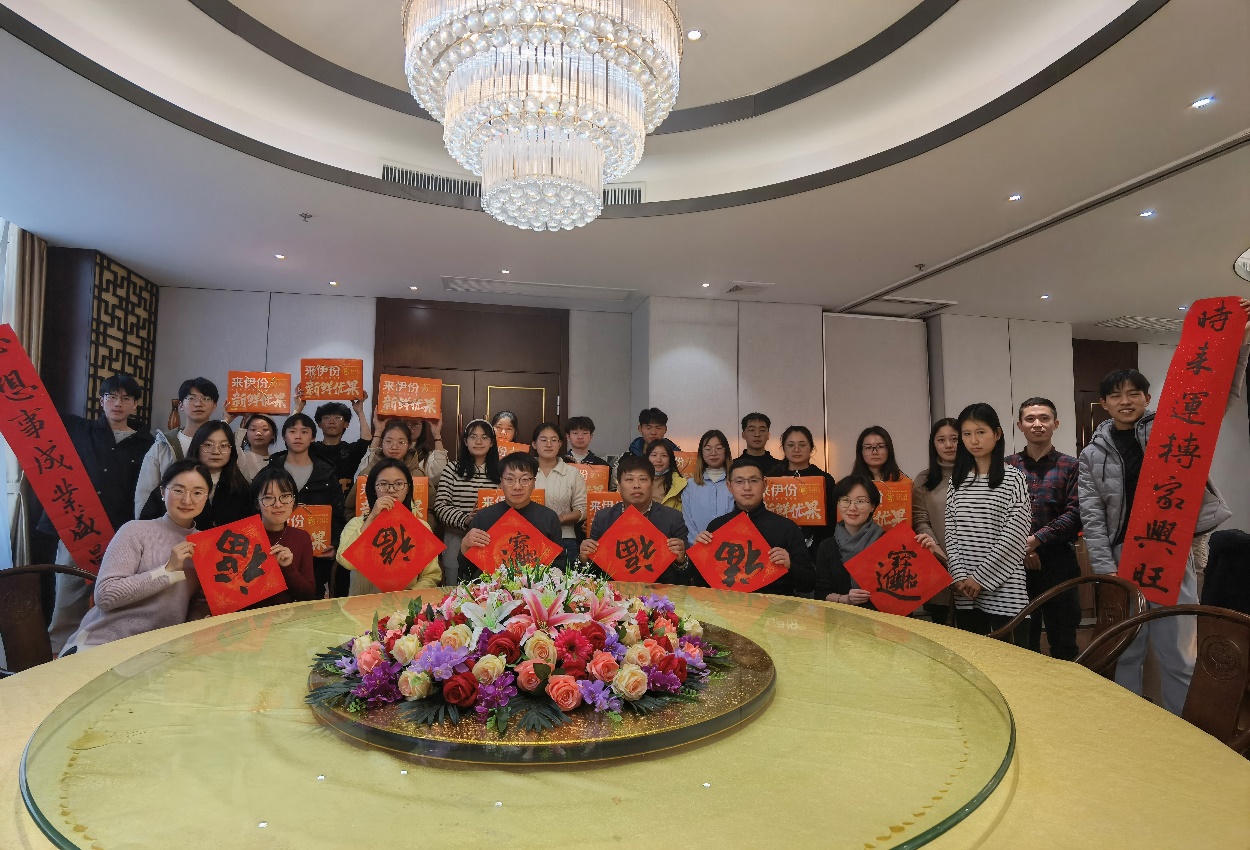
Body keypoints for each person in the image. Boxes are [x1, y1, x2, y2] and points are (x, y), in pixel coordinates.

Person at [1079, 313, 1249, 714]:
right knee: (1126, 647)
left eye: (1133, 393)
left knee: (1178, 649)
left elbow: (1219, 397)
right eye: (1116, 395)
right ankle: (1129, 721)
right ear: (1104, 403)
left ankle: (1180, 727)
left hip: (1168, 550)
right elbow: (1093, 516)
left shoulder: (1174, 428)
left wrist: (1240, 344)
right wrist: (1105, 570)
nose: (1125, 401)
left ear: (1147, 397)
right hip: (1121, 555)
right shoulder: (1091, 454)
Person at [43, 374, 156, 654]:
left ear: (135, 404)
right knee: (68, 595)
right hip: (77, 528)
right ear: (101, 400)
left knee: (114, 596)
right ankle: (58, 652)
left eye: (126, 398)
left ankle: (100, 653)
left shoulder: (147, 443)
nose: (118, 403)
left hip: (120, 534)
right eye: (111, 397)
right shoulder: (78, 429)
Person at [62, 460, 209, 653]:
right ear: (163, 492)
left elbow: (196, 603)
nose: (187, 500)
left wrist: (202, 617)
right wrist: (167, 571)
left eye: (197, 493)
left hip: (159, 651)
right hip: (102, 644)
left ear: (207, 496)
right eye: (178, 490)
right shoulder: (135, 531)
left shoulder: (206, 544)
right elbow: (105, 596)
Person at [945, 403, 1032, 636]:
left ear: (997, 434)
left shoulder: (1014, 479)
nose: (973, 440)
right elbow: (951, 533)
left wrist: (980, 578)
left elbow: (1014, 536)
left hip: (1005, 587)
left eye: (981, 432)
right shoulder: (957, 480)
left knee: (1009, 653)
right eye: (967, 434)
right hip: (965, 589)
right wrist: (959, 574)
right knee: (973, 653)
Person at [1006, 398, 1083, 660]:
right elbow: (1000, 514)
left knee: (1064, 641)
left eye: (1044, 418)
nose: (1037, 424)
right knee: (1023, 643)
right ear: (1020, 426)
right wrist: (1025, 548)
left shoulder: (1072, 466)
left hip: (1059, 563)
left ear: (1055, 424)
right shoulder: (1006, 467)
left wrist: (1037, 539)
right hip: (1016, 566)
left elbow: (1076, 513)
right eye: (1030, 419)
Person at [689, 460, 815, 597]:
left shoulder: (786, 527)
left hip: (775, 606)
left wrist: (789, 564)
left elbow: (809, 584)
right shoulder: (717, 526)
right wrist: (699, 555)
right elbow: (701, 584)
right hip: (728, 605)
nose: (747, 487)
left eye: (753, 481)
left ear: (765, 484)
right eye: (739, 481)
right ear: (729, 487)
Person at [266, 413, 346, 598]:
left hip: (315, 556)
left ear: (313, 437)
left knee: (311, 600)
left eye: (304, 431)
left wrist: (335, 544)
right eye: (292, 431)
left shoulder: (326, 473)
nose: (298, 436)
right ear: (284, 436)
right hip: (275, 552)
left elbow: (337, 513)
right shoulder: (271, 470)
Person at [337, 458, 442, 595]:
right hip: (364, 603)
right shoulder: (357, 524)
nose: (391, 490)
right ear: (373, 489)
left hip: (405, 604)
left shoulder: (420, 527)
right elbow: (346, 561)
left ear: (408, 488)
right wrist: (372, 518)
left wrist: (407, 595)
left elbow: (431, 575)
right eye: (383, 484)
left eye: (399, 484)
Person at [580, 454, 690, 583]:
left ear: (652, 485)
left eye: (643, 479)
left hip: (660, 591)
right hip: (615, 592)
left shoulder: (672, 518)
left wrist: (682, 560)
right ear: (619, 486)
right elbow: (593, 573)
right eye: (629, 479)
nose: (636, 485)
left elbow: (687, 575)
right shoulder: (603, 518)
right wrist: (584, 559)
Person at [459, 452, 564, 581]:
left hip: (536, 590)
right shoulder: (483, 517)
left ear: (534, 483)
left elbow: (560, 564)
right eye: (510, 479)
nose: (517, 486)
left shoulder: (549, 517)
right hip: (492, 590)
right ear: (501, 483)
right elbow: (467, 570)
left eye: (525, 479)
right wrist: (465, 546)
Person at [139, 421, 254, 530]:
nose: (216, 451)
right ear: (197, 446)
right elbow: (147, 524)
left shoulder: (241, 489)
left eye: (223, 446)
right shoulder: (175, 481)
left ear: (231, 450)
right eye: (208, 445)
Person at [133, 377, 219, 517]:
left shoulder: (223, 446)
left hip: (212, 522)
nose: (198, 403)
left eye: (206, 398)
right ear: (181, 405)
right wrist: (143, 525)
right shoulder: (162, 445)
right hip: (167, 521)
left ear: (214, 405)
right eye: (191, 398)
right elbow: (145, 491)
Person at [433, 419, 501, 585]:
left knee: (489, 589)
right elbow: (440, 506)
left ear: (492, 442)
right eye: (473, 437)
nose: (478, 441)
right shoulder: (452, 469)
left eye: (484, 437)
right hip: (456, 538)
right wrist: (466, 519)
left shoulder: (501, 472)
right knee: (455, 588)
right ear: (465, 441)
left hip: (492, 541)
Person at [245, 466, 316, 607]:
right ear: (257, 503)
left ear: (294, 500)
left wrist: (288, 567)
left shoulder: (301, 538)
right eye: (268, 498)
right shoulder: (241, 538)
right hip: (250, 619)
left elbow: (308, 594)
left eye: (285, 496)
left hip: (286, 617)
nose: (278, 504)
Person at [912, 417, 960, 622]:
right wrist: (941, 555)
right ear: (934, 444)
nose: (948, 445)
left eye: (954, 439)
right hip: (938, 563)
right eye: (941, 440)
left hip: (975, 569)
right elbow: (920, 520)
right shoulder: (924, 479)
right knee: (942, 630)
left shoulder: (978, 476)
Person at [814, 475, 884, 607]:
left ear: (872, 506)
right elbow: (821, 593)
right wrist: (845, 599)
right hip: (842, 617)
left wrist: (923, 549)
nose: (852, 507)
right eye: (845, 500)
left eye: (860, 501)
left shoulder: (887, 542)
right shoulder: (827, 546)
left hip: (883, 617)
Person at [770, 425, 837, 563]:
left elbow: (832, 517)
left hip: (817, 549)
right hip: (778, 547)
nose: (796, 449)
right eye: (791, 445)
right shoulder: (771, 478)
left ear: (811, 447)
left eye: (802, 445)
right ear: (783, 448)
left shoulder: (825, 479)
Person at [292, 390, 373, 494]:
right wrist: (298, 408)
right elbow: (291, 439)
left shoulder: (350, 450)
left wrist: (360, 412)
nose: (331, 421)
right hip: (314, 501)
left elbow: (366, 439)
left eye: (338, 418)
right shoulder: (310, 448)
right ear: (319, 424)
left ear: (346, 424)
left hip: (344, 502)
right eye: (326, 418)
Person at [530, 422, 587, 565]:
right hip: (529, 538)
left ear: (560, 444)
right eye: (543, 440)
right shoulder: (524, 471)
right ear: (534, 444)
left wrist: (558, 520)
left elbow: (583, 510)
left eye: (554, 440)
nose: (549, 444)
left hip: (564, 539)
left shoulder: (572, 473)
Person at [353, 417, 448, 488]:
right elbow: (364, 473)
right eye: (405, 423)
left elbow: (438, 476)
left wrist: (437, 435)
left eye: (415, 424)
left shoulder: (425, 458)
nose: (409, 427)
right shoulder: (382, 453)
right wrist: (378, 432)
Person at [682, 429, 734, 545]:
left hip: (730, 547)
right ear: (701, 453)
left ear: (726, 451)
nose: (713, 453)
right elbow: (687, 520)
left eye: (719, 448)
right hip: (698, 546)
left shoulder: (736, 482)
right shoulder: (690, 485)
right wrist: (697, 543)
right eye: (708, 449)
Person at [231, 413, 278, 482]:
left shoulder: (278, 461)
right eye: (253, 429)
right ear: (246, 434)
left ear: (273, 434)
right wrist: (241, 429)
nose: (258, 433)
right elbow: (235, 447)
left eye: (265, 429)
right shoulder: (241, 458)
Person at [646, 439, 686, 511]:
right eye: (654, 455)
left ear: (670, 460)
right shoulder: (637, 482)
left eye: (664, 455)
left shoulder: (681, 485)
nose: (658, 460)